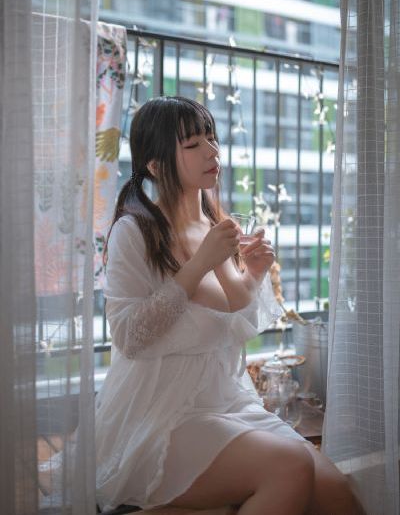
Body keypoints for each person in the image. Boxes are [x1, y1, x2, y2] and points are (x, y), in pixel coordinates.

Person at [95, 96, 364, 515]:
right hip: (163, 413)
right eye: (192, 144)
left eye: (211, 138)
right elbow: (130, 337)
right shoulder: (134, 232)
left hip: (226, 399)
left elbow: (234, 308)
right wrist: (199, 263)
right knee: (289, 466)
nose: (212, 151)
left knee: (336, 492)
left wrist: (254, 272)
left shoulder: (216, 224)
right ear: (156, 165)